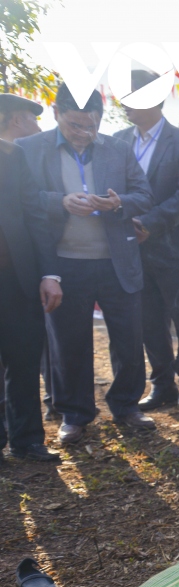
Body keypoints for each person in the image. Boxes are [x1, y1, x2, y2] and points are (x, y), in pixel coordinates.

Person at [19, 84, 155, 444]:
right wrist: (60, 200)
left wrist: (118, 202)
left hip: (116, 260)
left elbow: (144, 194)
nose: (83, 133)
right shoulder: (30, 149)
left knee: (128, 337)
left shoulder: (118, 149)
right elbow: (24, 198)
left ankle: (126, 405)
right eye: (74, 125)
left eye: (90, 126)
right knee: (69, 342)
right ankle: (74, 414)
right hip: (63, 262)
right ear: (56, 114)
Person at [114, 70, 179, 412]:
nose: (124, 105)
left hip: (176, 248)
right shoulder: (118, 141)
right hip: (133, 249)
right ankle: (162, 383)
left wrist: (149, 223)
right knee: (149, 320)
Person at [0, 100, 61, 463]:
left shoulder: (12, 157)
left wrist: (49, 274)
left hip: (16, 279)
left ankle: (27, 440)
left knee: (23, 359)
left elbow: (36, 215)